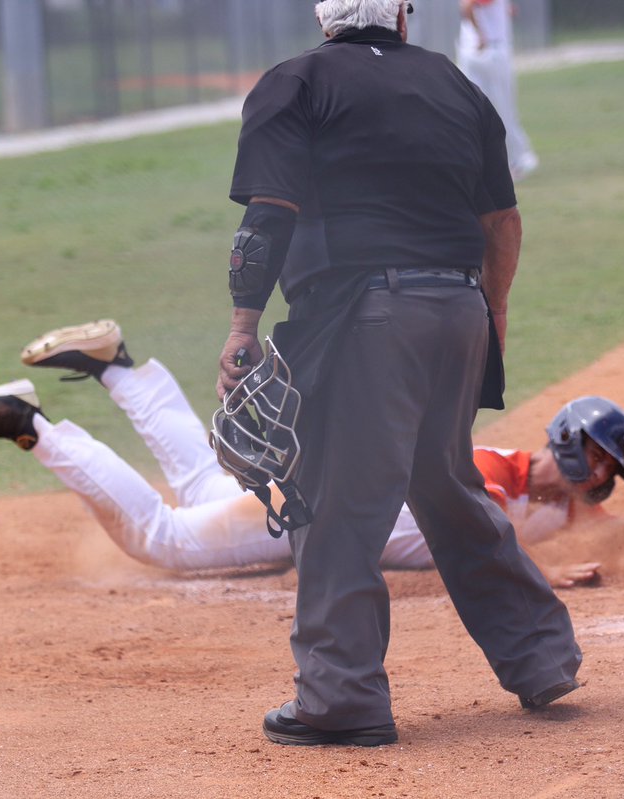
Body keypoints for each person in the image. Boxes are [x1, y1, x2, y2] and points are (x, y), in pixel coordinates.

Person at [215, 0, 586, 747]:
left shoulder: (295, 82)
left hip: (366, 318)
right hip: (459, 310)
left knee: (337, 502)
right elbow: (502, 221)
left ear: (326, 18)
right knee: (447, 485)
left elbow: (269, 215)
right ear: (403, 17)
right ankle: (541, 655)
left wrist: (242, 325)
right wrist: (493, 314)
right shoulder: (452, 83)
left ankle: (341, 697)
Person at [0, 320, 624, 588]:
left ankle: (116, 367)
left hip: (309, 493)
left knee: (199, 483)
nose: (600, 473)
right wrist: (549, 577)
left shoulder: (548, 503)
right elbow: (479, 550)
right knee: (164, 539)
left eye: (609, 468)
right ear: (566, 438)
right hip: (308, 505)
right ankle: (32, 426)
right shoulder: (489, 473)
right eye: (598, 455)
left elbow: (608, 532)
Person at [457, 0, 539, 181]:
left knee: (475, 110)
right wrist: (481, 35)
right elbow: (468, 6)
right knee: (503, 109)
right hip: (490, 51)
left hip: (472, 52)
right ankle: (516, 160)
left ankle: (482, 164)